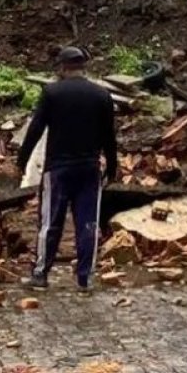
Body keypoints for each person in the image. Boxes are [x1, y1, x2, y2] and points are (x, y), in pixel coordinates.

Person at [17, 46, 117, 291]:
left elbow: (36, 128)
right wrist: (113, 165)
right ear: (83, 67)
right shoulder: (101, 95)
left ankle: (41, 274)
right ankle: (85, 278)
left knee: (51, 222)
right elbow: (109, 135)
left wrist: (22, 160)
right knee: (87, 224)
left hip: (58, 169)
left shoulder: (52, 93)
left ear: (62, 67)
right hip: (89, 169)